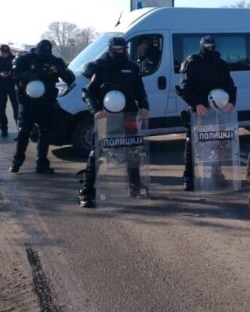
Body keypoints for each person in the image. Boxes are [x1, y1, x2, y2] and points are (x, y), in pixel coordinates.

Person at [78, 37, 150, 207]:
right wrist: (95, 110)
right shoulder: (101, 66)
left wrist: (144, 106)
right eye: (117, 48)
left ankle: (135, 185)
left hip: (129, 114)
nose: (121, 51)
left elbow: (140, 90)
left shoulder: (132, 67)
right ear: (111, 48)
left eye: (123, 48)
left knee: (133, 148)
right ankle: (87, 191)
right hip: (106, 115)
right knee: (98, 150)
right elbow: (89, 93)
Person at [176, 36, 237, 191]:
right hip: (199, 111)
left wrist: (231, 102)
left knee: (219, 144)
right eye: (207, 46)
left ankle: (216, 176)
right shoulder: (192, 62)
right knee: (193, 144)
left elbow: (230, 85)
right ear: (201, 46)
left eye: (212, 46)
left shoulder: (221, 63)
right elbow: (184, 89)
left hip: (219, 110)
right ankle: (189, 178)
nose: (210, 49)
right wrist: (196, 103)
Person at [9, 40, 75, 174]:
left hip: (46, 102)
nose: (44, 55)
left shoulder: (54, 61)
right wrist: (37, 74)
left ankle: (42, 163)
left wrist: (59, 70)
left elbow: (70, 78)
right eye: (42, 52)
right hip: (27, 102)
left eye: (47, 52)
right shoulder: (25, 59)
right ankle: (17, 161)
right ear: (36, 50)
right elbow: (13, 75)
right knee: (24, 131)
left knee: (46, 132)